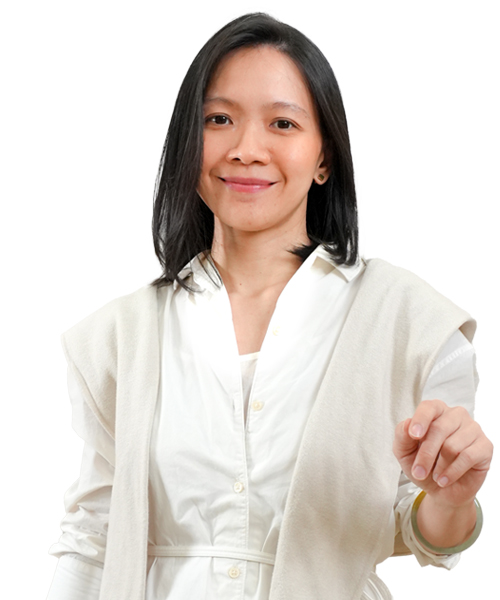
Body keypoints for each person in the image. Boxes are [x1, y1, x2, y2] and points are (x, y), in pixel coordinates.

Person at [46, 12, 493, 600]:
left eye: (283, 123)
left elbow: (424, 530)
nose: (246, 149)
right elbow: (92, 539)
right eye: (219, 119)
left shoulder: (408, 322)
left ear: (325, 157)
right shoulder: (119, 338)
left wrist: (451, 499)